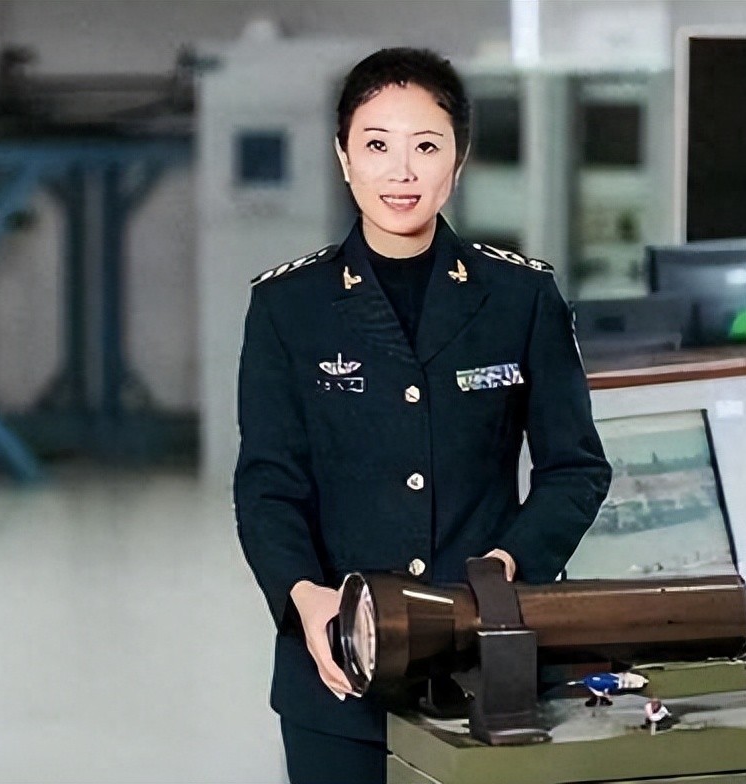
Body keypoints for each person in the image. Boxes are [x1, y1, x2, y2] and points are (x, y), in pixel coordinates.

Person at [234, 47, 611, 784]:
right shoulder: (289, 307)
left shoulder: (520, 297)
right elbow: (269, 484)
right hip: (338, 672)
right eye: (377, 146)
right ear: (344, 158)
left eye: (426, 147)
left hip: (489, 660)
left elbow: (575, 469)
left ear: (458, 161)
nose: (401, 172)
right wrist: (305, 597)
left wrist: (508, 567)